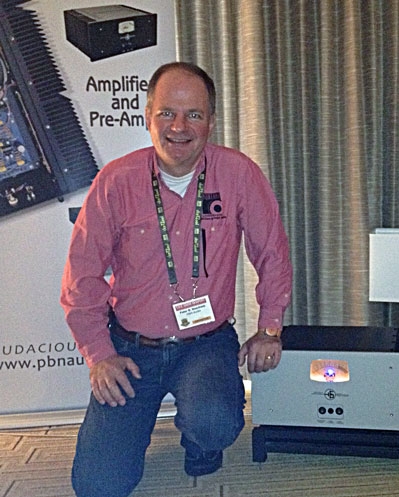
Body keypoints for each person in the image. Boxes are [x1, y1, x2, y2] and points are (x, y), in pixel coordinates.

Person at [60, 62, 292, 497]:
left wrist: (269, 328)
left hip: (205, 344)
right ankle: (135, 428)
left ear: (211, 122)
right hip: (131, 349)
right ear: (148, 116)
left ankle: (200, 439)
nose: (179, 127)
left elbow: (272, 253)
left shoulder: (238, 174)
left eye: (194, 114)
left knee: (215, 422)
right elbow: (82, 277)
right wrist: (100, 355)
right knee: (98, 486)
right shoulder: (115, 181)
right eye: (167, 113)